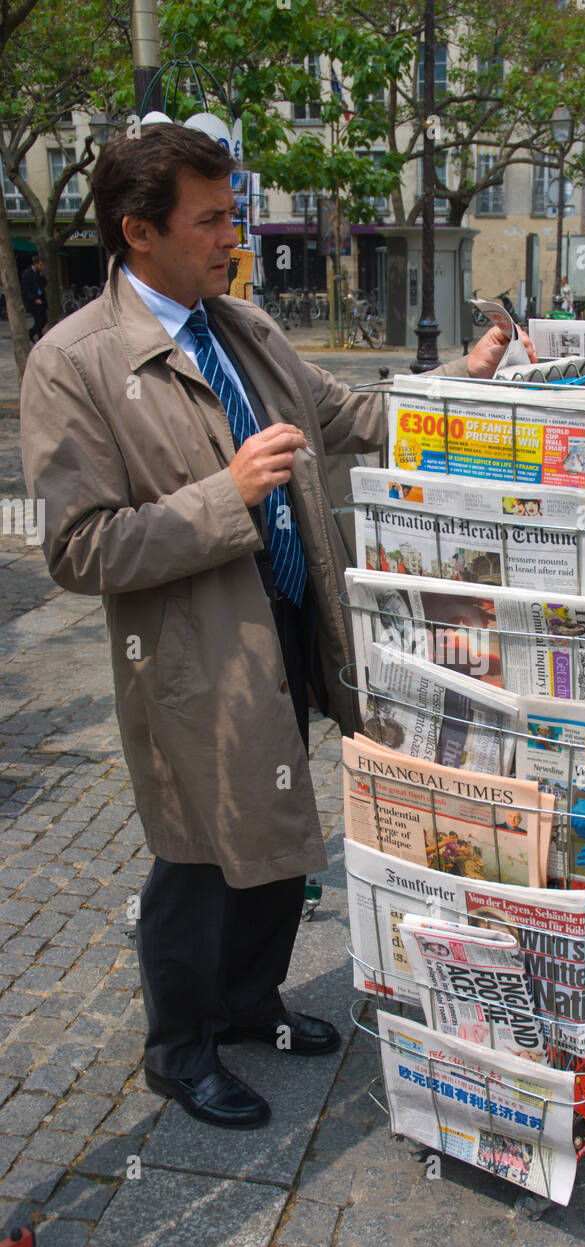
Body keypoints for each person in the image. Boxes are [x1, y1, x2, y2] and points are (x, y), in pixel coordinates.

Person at [20, 125, 531, 1130]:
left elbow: (345, 418)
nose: (233, 235)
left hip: (294, 622)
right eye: (210, 219)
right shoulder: (72, 363)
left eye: (234, 212)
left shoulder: (240, 323)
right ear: (139, 232)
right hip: (197, 657)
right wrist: (226, 496)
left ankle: (251, 1003)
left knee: (281, 842)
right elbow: (77, 548)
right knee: (200, 854)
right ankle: (180, 1048)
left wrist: (463, 384)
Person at [21, 255, 47, 343]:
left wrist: (42, 276)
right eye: (40, 265)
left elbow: (44, 284)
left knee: (44, 320)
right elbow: (26, 290)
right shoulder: (27, 274)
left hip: (41, 299)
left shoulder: (38, 274)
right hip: (33, 302)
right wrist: (34, 299)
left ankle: (31, 334)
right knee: (39, 321)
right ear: (35, 264)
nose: (41, 267)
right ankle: (40, 339)